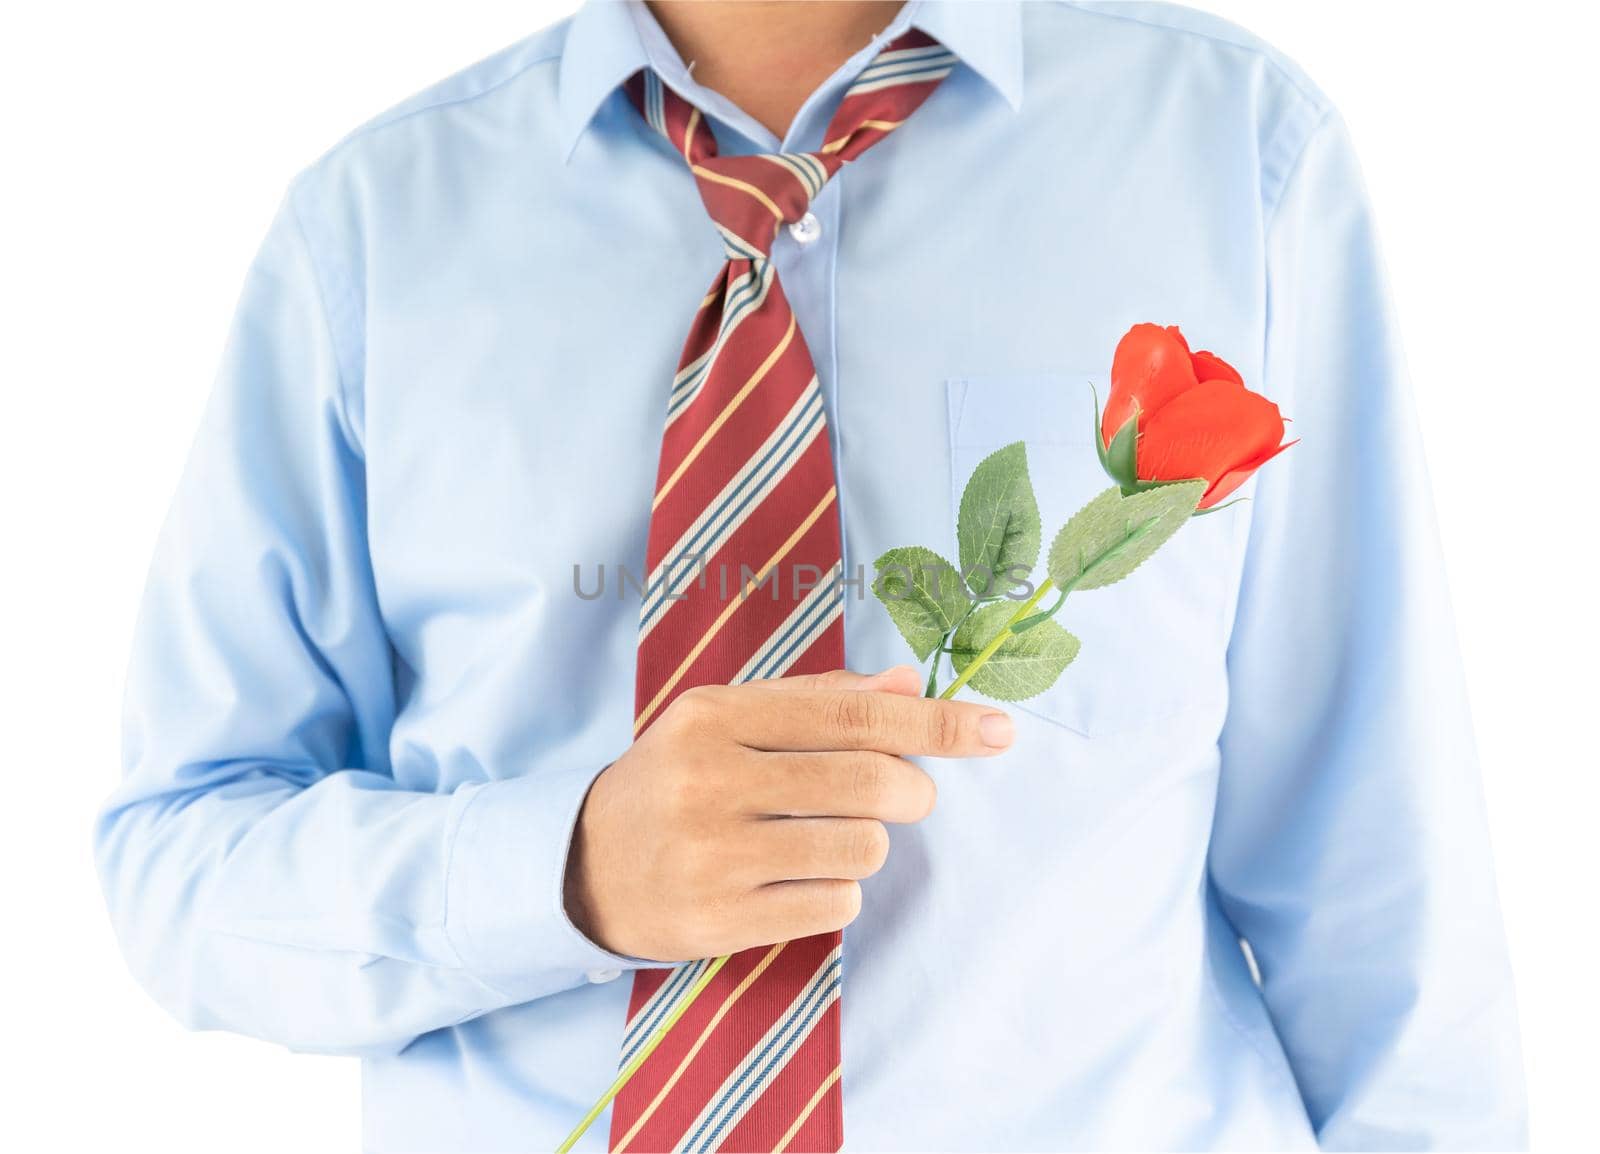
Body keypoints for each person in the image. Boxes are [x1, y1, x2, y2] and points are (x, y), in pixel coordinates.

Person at [95, 1, 1527, 1150]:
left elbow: (1383, 898)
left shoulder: (1235, 153)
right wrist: (564, 871)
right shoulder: (368, 235)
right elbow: (177, 859)